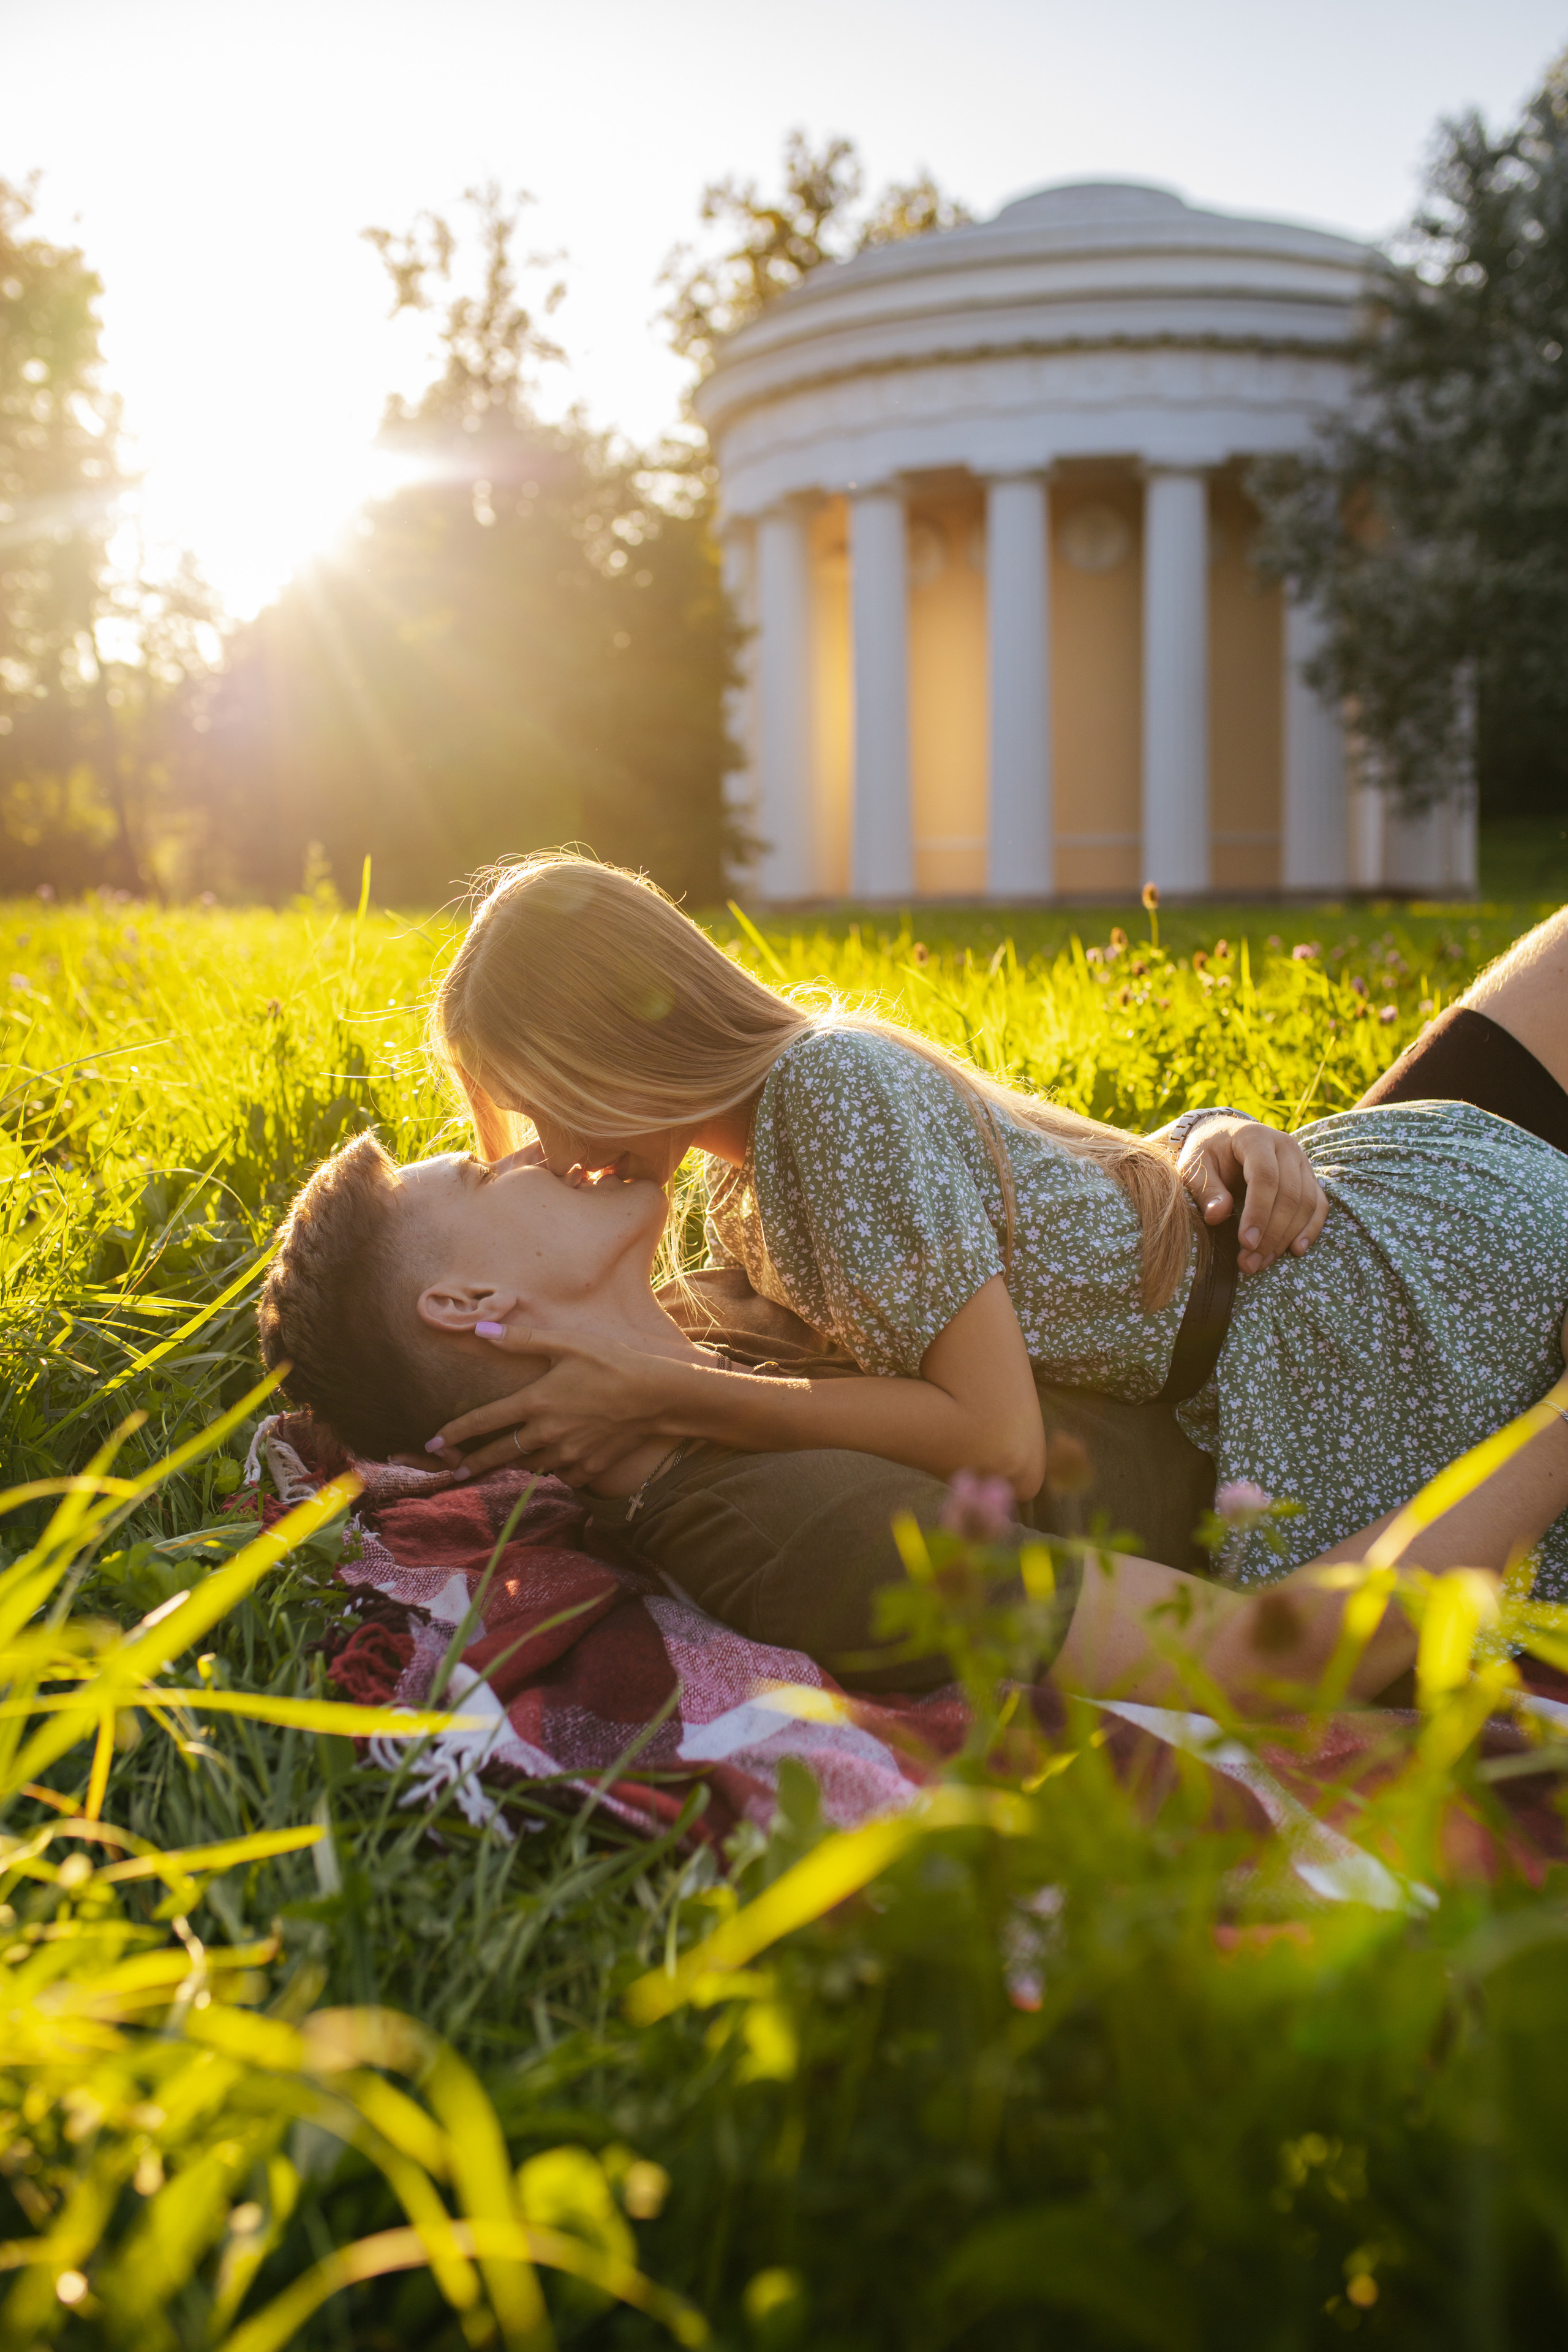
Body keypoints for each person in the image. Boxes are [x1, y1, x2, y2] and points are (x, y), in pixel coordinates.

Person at [417, 857, 1568, 1594]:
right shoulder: (742, 1186)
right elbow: (1073, 1185)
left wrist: (662, 1391)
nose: (552, 1152)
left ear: (621, 1041)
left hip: (1352, 1313)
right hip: (1288, 1313)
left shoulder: (827, 1095)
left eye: (548, 1101)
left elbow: (999, 1442)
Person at [256, 1128, 1568, 1711]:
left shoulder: (718, 1317)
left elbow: (1040, 1219)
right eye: (484, 1170)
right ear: (467, 1301)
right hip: (1435, 1371)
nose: (538, 1143)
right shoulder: (789, 1530)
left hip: (1341, 1233)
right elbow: (1260, 1659)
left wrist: (1205, 1141)